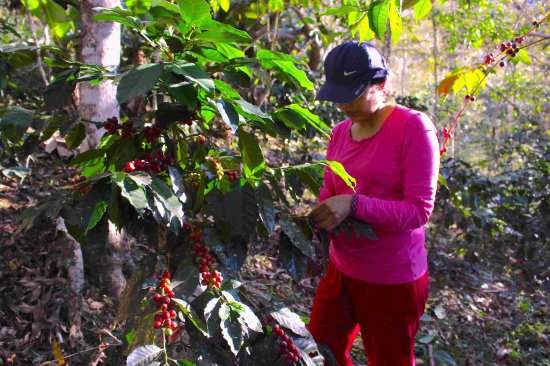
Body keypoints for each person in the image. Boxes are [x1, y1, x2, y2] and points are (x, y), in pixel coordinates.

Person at [307, 41, 440, 366]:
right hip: (342, 268)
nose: (343, 104)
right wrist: (314, 227)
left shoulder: (413, 128)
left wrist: (354, 205)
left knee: (389, 359)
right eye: (337, 94)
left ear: (380, 84)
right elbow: (329, 190)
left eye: (352, 93)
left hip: (391, 278)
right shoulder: (339, 133)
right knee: (321, 348)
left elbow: (418, 210)